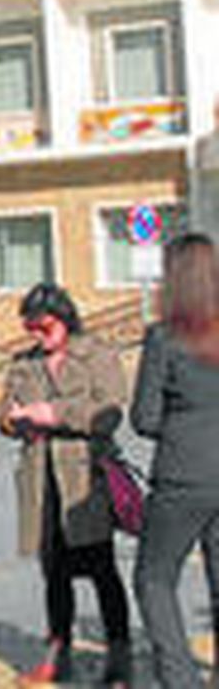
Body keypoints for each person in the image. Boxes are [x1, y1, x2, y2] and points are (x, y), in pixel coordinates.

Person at [0, 282, 131, 687]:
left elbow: (110, 412)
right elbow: (4, 414)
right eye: (31, 329)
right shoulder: (23, 363)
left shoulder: (97, 354)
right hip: (41, 480)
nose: (38, 336)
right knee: (53, 571)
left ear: (65, 318)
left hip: (84, 479)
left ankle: (120, 657)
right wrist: (13, 420)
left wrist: (54, 414)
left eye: (46, 327)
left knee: (101, 568)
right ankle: (57, 653)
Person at [131, 232, 219, 689]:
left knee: (154, 578)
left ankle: (180, 678)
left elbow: (144, 418)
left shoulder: (163, 338)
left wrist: (183, 428)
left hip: (182, 477)